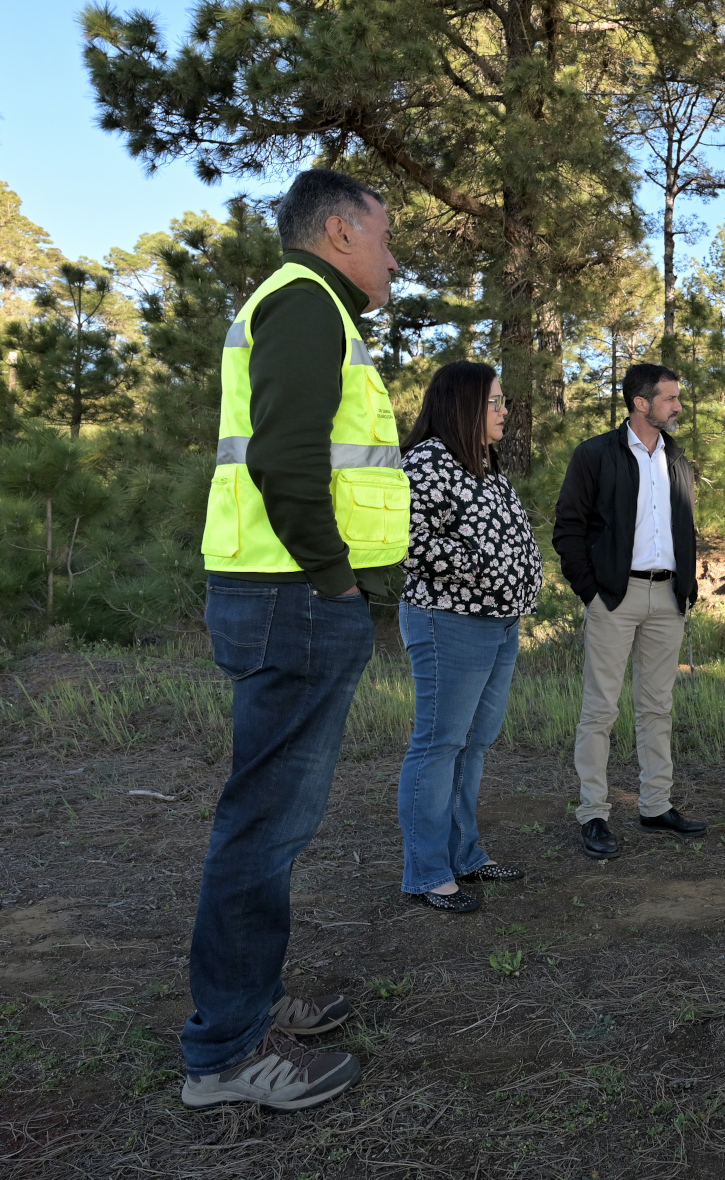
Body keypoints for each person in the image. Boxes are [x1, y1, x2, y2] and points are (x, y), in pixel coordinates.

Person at [183, 168, 402, 1111]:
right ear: (342, 232)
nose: (395, 259)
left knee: (271, 821)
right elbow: (282, 458)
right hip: (293, 595)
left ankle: (253, 1005)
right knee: (264, 825)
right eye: (387, 239)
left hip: (287, 593)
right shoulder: (307, 302)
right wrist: (334, 575)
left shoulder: (310, 309)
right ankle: (226, 1053)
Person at [396, 362, 543, 913]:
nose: (505, 411)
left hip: (500, 622)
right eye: (496, 402)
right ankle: (427, 873)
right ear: (463, 405)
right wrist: (484, 567)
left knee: (473, 744)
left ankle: (465, 855)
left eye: (504, 401)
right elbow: (407, 544)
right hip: (449, 621)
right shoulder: (427, 462)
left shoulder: (483, 464)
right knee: (439, 745)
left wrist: (516, 575)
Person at [554, 364, 706, 861]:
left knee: (657, 708)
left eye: (677, 398)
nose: (678, 406)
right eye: (669, 398)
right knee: (600, 710)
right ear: (640, 403)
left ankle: (655, 806)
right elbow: (569, 527)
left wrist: (688, 587)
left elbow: (683, 526)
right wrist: (591, 592)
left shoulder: (677, 458)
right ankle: (593, 813)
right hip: (613, 598)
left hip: (668, 599)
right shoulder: (596, 454)